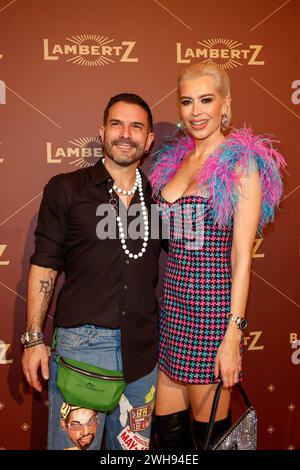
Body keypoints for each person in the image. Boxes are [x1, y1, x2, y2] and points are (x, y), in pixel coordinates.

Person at [149, 63, 285, 450]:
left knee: (208, 438)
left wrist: (233, 334)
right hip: (172, 310)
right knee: (168, 438)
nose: (196, 111)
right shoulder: (175, 161)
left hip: (211, 314)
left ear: (226, 105)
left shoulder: (241, 164)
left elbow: (243, 259)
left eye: (206, 100)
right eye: (188, 101)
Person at [21, 93, 161, 450]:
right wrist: (35, 339)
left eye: (136, 126)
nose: (125, 133)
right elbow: (45, 265)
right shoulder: (67, 188)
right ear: (102, 131)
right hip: (83, 348)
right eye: (117, 123)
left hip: (143, 355)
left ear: (148, 140)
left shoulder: (159, 198)